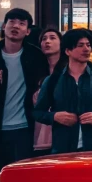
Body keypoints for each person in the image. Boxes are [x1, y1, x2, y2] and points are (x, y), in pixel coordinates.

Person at [0, 7, 48, 182]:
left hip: (24, 128)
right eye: (11, 22)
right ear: (3, 26)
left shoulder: (36, 56)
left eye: (21, 23)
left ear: (28, 31)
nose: (15, 26)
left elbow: (44, 84)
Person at [33, 28, 92, 154]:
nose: (86, 49)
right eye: (80, 45)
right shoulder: (53, 80)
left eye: (88, 45)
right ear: (68, 51)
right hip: (62, 149)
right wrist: (54, 116)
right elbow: (38, 112)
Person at [32, 27, 64, 155]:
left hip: (62, 130)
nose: (47, 42)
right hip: (41, 130)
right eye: (44, 39)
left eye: (52, 38)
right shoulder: (37, 70)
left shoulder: (68, 69)